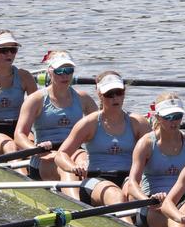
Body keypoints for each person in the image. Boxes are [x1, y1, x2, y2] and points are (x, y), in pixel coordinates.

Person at [53, 71, 149, 205]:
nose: (115, 98)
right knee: (116, 195)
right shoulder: (89, 123)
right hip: (96, 180)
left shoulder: (138, 123)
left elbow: (154, 155)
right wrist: (73, 167)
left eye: (119, 92)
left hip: (129, 178)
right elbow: (61, 155)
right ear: (100, 95)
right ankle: (125, 223)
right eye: (109, 94)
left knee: (134, 193)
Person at [123, 93, 185, 227]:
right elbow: (132, 184)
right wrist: (148, 200)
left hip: (182, 200)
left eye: (177, 116)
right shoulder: (146, 144)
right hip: (153, 203)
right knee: (176, 221)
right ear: (158, 117)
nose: (174, 122)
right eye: (168, 117)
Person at [13, 50, 96, 181]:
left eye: (69, 71)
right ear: (49, 72)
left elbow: (100, 129)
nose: (65, 76)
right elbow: (19, 135)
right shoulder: (36, 100)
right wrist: (36, 150)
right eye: (60, 71)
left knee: (85, 162)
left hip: (74, 151)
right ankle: (75, 198)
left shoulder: (83, 98)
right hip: (45, 155)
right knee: (68, 171)